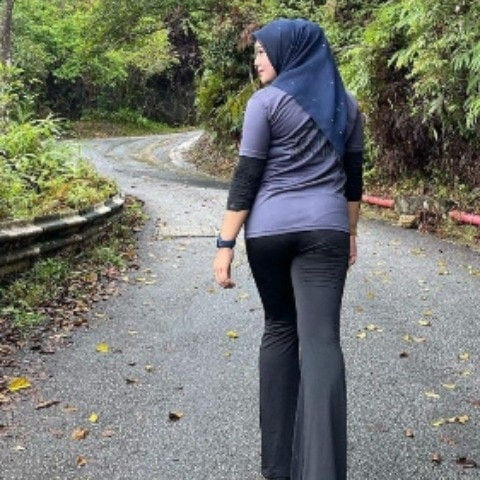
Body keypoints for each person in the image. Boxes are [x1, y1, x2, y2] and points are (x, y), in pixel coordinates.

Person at [213, 18, 364, 480]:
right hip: (327, 230)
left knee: (280, 328)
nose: (257, 60)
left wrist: (225, 243)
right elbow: (353, 181)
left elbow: (247, 175)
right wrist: (350, 233)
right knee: (321, 340)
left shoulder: (266, 103)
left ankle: (278, 467)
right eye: (256, 52)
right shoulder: (347, 105)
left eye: (263, 52)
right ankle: (321, 471)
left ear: (291, 52)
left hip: (269, 234)